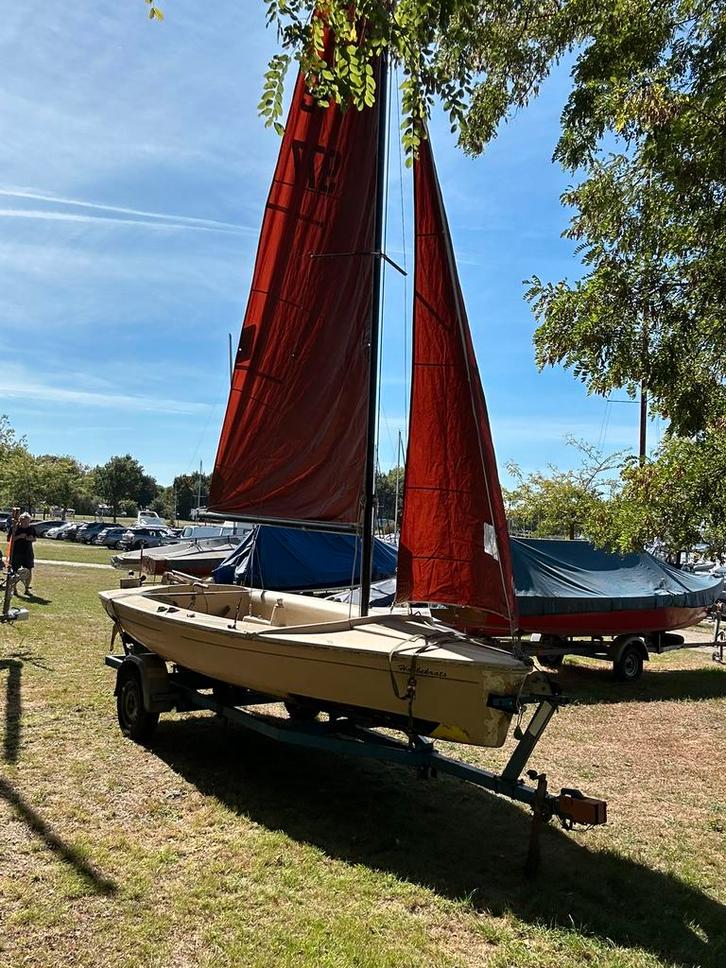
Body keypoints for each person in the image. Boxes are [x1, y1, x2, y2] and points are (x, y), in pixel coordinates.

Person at [10, 512, 36, 595]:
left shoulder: (31, 529)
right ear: (20, 521)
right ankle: (14, 589)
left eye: (27, 522)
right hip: (16, 552)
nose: (25, 524)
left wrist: (30, 539)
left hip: (28, 552)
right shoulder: (14, 528)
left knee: (28, 570)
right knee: (15, 571)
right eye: (23, 522)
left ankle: (27, 589)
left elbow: (35, 539)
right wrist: (19, 537)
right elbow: (9, 540)